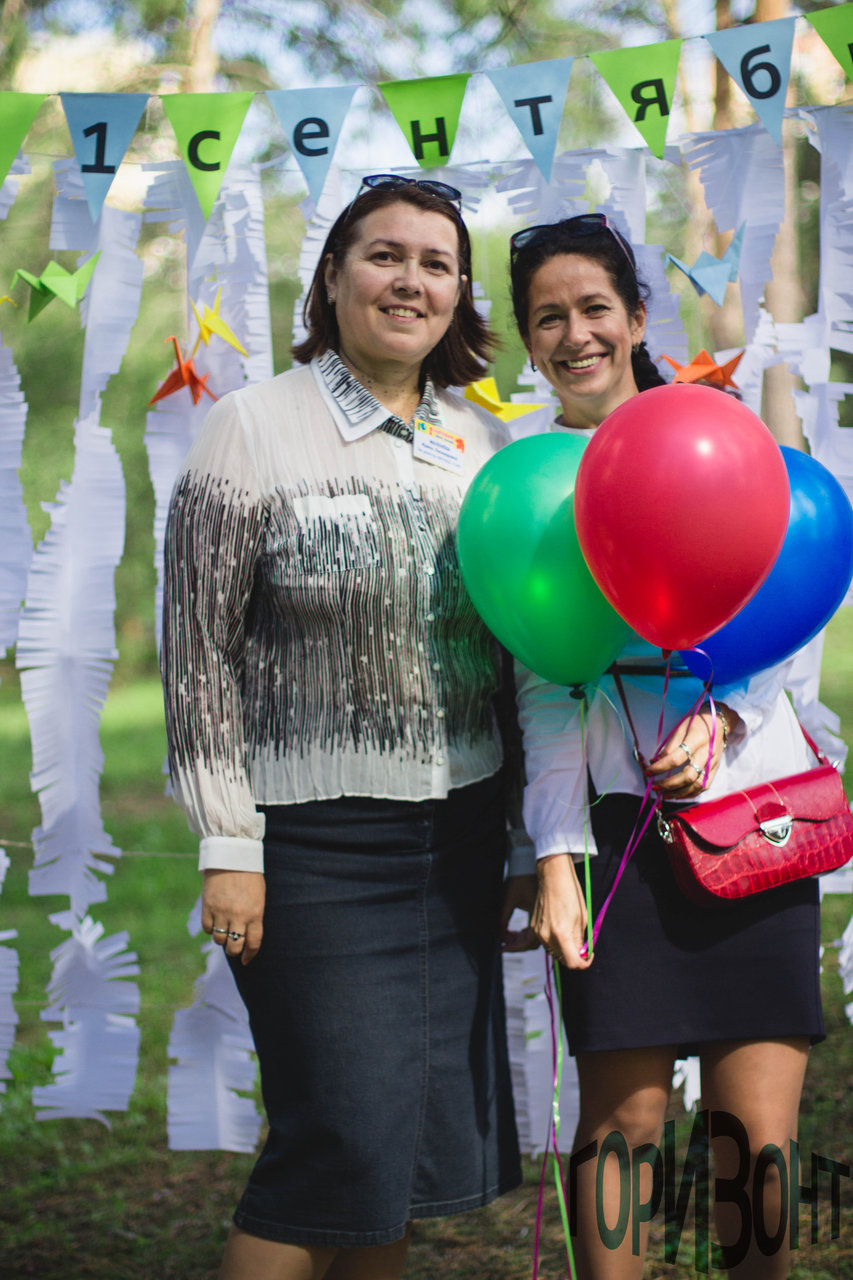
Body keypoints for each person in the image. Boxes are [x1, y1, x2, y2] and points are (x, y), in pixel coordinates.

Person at [160, 175, 526, 1280]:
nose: (410, 280)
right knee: (335, 1142)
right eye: (384, 255)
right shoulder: (249, 427)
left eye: (436, 263)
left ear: (458, 295)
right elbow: (196, 655)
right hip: (311, 849)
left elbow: (510, 659)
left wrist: (520, 844)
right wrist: (230, 843)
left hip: (458, 841)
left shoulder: (479, 444)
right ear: (331, 277)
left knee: (403, 1156)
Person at [508, 214, 824, 1280]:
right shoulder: (530, 491)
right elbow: (543, 694)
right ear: (528, 341)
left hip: (753, 818)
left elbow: (783, 609)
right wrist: (555, 857)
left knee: (755, 1141)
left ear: (637, 318)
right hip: (616, 838)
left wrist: (723, 715)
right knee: (624, 1125)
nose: (575, 334)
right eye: (547, 317)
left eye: (595, 307)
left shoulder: (714, 434)